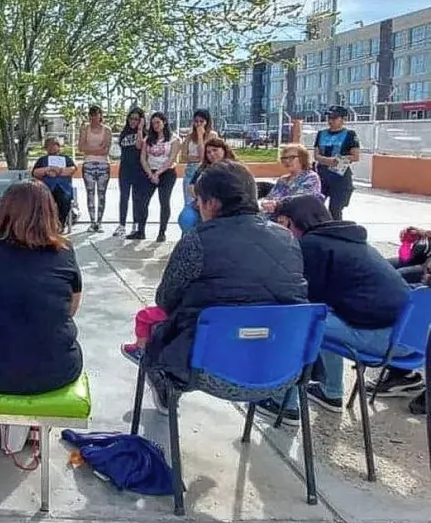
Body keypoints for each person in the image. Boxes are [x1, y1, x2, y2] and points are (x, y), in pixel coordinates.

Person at [139, 161, 308, 412]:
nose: (197, 207)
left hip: (209, 369)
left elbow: (166, 299)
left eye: (199, 201)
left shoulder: (197, 239)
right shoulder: (287, 238)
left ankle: (165, 390)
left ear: (212, 203)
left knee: (155, 327)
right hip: (283, 369)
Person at [266, 195, 410, 424]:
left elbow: (301, 302)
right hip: (410, 337)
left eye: (283, 223)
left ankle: (283, 404)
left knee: (295, 323)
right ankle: (331, 392)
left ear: (294, 221)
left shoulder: (311, 245)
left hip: (383, 338)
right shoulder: (348, 239)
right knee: (322, 318)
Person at [0, 180, 82, 395]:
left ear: (4, 210)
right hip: (56, 371)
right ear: (50, 212)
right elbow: (70, 309)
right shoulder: (64, 251)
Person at [129, 112, 180, 242]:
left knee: (164, 201)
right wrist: (151, 174)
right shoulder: (148, 139)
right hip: (150, 172)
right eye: (153, 123)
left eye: (158, 122)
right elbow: (143, 158)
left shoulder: (174, 139)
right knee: (142, 201)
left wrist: (158, 173)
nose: (155, 125)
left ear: (164, 122)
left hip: (167, 172)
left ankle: (162, 232)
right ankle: (141, 231)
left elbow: (171, 158)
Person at [178, 137, 236, 233]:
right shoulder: (203, 168)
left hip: (226, 205)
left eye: (215, 150)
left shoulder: (235, 168)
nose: (212, 154)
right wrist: (199, 197)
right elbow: (191, 185)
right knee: (186, 218)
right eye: (208, 152)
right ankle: (191, 239)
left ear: (224, 150)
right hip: (202, 202)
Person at [313, 105, 360, 221]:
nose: (331, 121)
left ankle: (336, 229)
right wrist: (327, 160)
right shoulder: (321, 134)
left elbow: (355, 156)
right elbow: (316, 155)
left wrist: (338, 159)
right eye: (329, 118)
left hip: (340, 176)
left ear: (343, 119)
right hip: (322, 175)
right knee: (315, 206)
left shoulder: (350, 134)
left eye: (334, 118)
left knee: (335, 209)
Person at [259, 144, 323, 217]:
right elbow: (269, 198)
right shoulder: (282, 180)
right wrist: (265, 202)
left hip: (295, 219)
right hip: (272, 217)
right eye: (284, 158)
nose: (287, 161)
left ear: (303, 158)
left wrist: (276, 205)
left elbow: (301, 202)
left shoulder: (311, 177)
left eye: (291, 157)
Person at [78, 105, 113, 234]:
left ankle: (100, 222)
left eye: (96, 114)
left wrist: (90, 149)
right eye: (91, 115)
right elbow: (81, 147)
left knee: (102, 194)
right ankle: (92, 222)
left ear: (100, 115)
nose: (94, 117)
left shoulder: (107, 130)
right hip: (88, 164)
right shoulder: (85, 129)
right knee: (90, 193)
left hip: (103, 164)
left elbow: (106, 150)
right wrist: (98, 149)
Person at [32, 137, 78, 231]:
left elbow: (72, 170)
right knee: (41, 200)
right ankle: (46, 225)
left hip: (63, 188)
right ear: (46, 148)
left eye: (55, 145)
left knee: (64, 199)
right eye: (50, 145)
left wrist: (58, 171)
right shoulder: (42, 160)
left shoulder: (66, 159)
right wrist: (47, 169)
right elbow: (35, 173)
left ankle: (60, 223)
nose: (52, 147)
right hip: (46, 188)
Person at [115, 107, 146, 237]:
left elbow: (139, 145)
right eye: (131, 118)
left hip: (139, 170)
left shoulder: (144, 133)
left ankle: (135, 225)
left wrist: (140, 129)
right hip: (125, 169)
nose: (133, 121)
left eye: (136, 119)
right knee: (124, 197)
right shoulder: (124, 132)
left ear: (141, 120)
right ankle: (122, 225)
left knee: (136, 198)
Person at [181, 110, 219, 206]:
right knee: (189, 203)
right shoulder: (189, 136)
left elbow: (202, 155)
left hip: (205, 171)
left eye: (201, 121)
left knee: (205, 203)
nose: (198, 124)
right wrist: (197, 158)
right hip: (190, 172)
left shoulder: (213, 135)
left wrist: (200, 136)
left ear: (207, 122)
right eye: (196, 121)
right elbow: (183, 156)